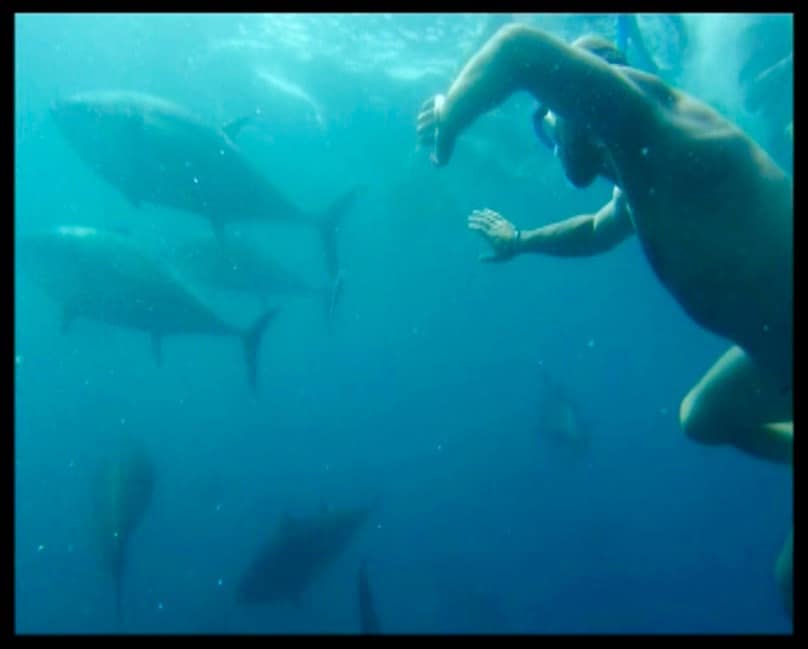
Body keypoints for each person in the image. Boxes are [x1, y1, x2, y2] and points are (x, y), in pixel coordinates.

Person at [416, 23, 792, 613]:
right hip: (779, 357)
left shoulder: (646, 118)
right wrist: (520, 240)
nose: (551, 132)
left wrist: (450, 114)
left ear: (585, 96)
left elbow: (517, 48)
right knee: (702, 418)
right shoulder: (636, 166)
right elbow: (595, 230)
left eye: (552, 115)